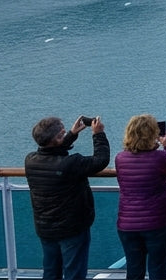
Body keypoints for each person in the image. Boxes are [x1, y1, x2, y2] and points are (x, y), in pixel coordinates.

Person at [25, 115, 110, 280]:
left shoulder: (30, 161)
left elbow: (52, 151)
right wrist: (98, 134)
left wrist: (71, 134)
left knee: (51, 272)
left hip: (45, 228)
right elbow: (101, 160)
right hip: (72, 228)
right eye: (62, 134)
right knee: (74, 274)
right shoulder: (72, 163)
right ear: (57, 138)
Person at [115, 114, 166, 280]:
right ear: (153, 134)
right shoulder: (162, 157)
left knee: (134, 270)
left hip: (128, 223)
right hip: (158, 222)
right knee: (158, 268)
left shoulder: (120, 158)